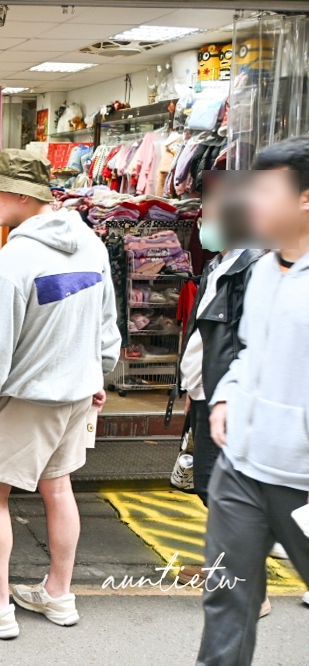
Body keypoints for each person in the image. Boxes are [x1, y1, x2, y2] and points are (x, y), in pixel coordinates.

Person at [0, 149, 121, 639]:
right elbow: (108, 325)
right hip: (76, 394)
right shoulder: (91, 244)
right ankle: (58, 594)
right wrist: (99, 374)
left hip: (25, 400)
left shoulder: (15, 259)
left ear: (22, 195)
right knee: (58, 487)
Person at [197, 137, 309, 666]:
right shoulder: (262, 270)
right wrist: (225, 397)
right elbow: (248, 352)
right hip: (240, 468)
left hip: (302, 481)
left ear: (304, 198)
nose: (250, 203)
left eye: (265, 189)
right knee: (226, 596)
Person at [171, 181, 264, 585]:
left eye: (208, 217)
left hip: (225, 395)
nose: (202, 225)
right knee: (212, 484)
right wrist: (191, 392)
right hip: (204, 392)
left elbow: (247, 340)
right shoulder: (217, 266)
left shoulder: (252, 268)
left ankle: (245, 580)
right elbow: (199, 335)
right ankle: (226, 567)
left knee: (219, 487)